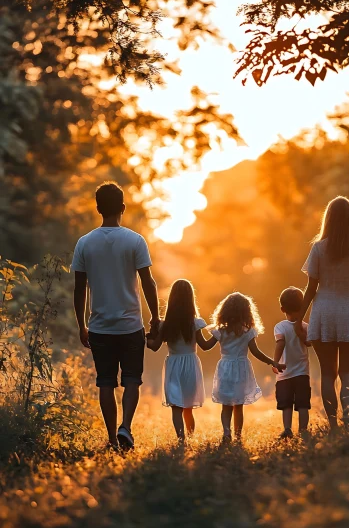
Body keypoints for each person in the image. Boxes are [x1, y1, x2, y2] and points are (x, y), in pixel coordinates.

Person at [71, 181, 160, 450]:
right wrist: (155, 318)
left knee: (106, 382)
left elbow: (79, 289)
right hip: (131, 324)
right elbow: (148, 282)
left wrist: (81, 325)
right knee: (132, 379)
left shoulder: (84, 243)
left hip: (99, 326)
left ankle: (112, 438)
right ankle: (126, 428)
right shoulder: (135, 240)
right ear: (123, 207)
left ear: (98, 208)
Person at [296, 196, 349, 429]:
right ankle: (347, 422)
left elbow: (311, 288)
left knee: (327, 374)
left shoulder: (319, 248)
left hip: (324, 313)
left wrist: (299, 319)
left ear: (328, 219)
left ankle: (333, 425)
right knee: (347, 374)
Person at [204, 292, 283, 440]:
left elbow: (206, 346)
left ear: (225, 310)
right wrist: (272, 362)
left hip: (225, 368)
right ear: (247, 311)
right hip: (241, 368)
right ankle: (238, 436)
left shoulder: (221, 330)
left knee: (226, 405)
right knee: (238, 405)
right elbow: (255, 352)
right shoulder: (248, 332)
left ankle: (226, 433)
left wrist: (195, 334)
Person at [146, 279, 208, 441]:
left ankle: (181, 440)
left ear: (171, 299)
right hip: (191, 365)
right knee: (188, 407)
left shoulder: (165, 325)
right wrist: (218, 336)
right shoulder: (195, 323)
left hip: (173, 365)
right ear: (191, 299)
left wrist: (144, 337)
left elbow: (154, 346)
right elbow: (205, 346)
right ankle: (190, 437)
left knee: (176, 407)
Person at [273, 287, 311, 439]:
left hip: (285, 373)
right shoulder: (305, 326)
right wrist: (300, 333)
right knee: (303, 404)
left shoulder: (280, 326)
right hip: (302, 372)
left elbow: (280, 343)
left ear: (282, 308)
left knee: (286, 404)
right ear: (302, 306)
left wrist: (275, 362)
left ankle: (287, 429)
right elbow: (309, 344)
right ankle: (303, 430)